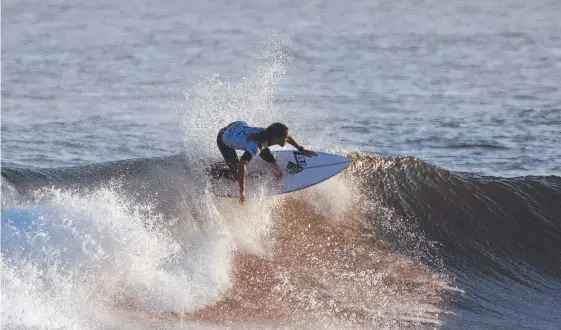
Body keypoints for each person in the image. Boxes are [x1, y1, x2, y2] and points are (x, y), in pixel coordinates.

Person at [216, 121, 318, 204]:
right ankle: (214, 171)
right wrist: (242, 190)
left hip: (236, 127)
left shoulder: (268, 133)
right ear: (275, 138)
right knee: (237, 175)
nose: (287, 139)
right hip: (224, 138)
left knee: (271, 159)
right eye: (285, 138)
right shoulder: (256, 147)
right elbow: (242, 163)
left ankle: (271, 162)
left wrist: (301, 149)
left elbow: (287, 135)